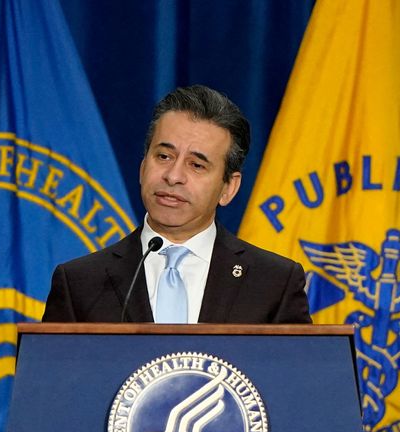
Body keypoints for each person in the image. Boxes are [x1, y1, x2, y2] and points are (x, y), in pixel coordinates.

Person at [42, 85, 311, 324]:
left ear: (228, 188)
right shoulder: (80, 283)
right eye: (163, 156)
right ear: (142, 166)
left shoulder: (274, 283)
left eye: (197, 165)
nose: (173, 176)